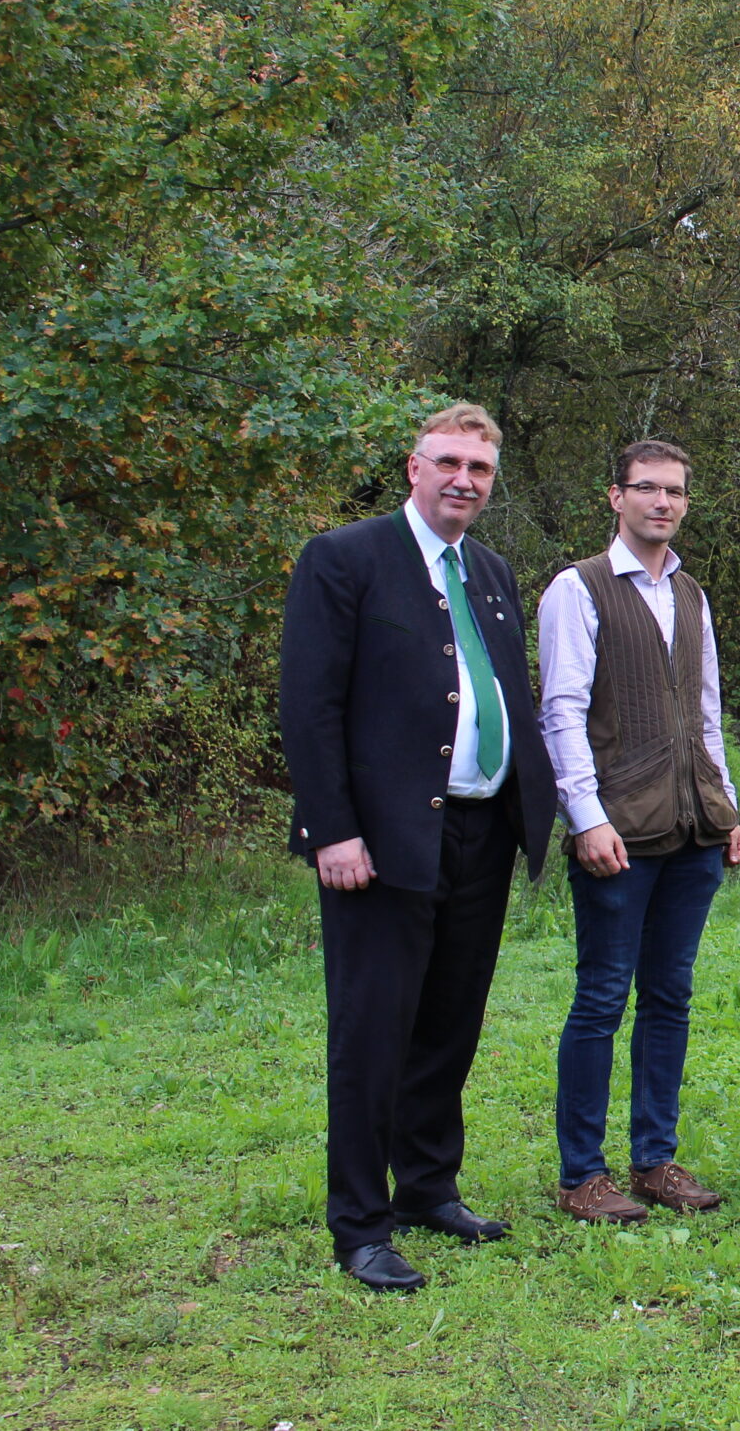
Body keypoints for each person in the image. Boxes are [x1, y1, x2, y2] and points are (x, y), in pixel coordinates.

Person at [278, 402, 557, 1294]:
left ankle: (427, 1187)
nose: (463, 480)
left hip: (481, 830)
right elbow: (309, 705)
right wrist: (333, 828)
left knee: (449, 1021)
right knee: (373, 1031)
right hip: (382, 839)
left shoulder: (491, 571)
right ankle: (361, 1224)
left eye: (480, 468)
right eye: (449, 462)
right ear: (414, 467)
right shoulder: (345, 559)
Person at [538, 439, 740, 1224]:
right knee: (601, 996)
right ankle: (581, 1176)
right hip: (618, 833)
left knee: (670, 995)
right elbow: (561, 710)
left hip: (693, 830)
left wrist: (725, 806)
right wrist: (585, 817)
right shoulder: (579, 587)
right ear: (616, 496)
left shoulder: (690, 594)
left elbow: (706, 712)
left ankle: (655, 1160)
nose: (662, 502)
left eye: (675, 491)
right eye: (647, 488)